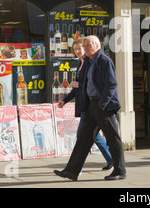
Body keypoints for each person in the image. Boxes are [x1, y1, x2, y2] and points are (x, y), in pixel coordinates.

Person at [54, 36, 126, 181]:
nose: (85, 49)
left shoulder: (104, 61)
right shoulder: (87, 62)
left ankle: (120, 171)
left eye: (88, 46)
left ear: (96, 45)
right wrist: (67, 100)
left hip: (104, 106)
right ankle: (71, 171)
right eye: (84, 46)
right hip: (90, 105)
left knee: (112, 138)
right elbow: (82, 85)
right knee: (83, 139)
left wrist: (103, 104)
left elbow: (111, 84)